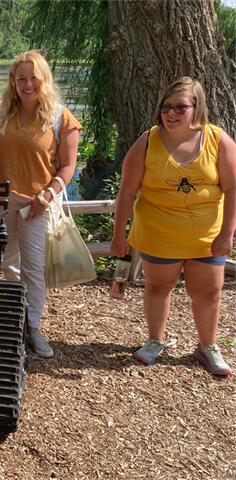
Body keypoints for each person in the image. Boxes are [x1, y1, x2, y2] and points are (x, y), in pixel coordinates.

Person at [111, 77, 235, 375]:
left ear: (197, 108)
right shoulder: (148, 141)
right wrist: (119, 235)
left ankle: (208, 347)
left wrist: (226, 233)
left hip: (207, 236)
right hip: (158, 233)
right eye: (167, 106)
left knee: (208, 292)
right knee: (158, 286)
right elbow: (127, 190)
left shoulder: (219, 140)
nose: (172, 113)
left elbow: (232, 189)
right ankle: (155, 341)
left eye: (181, 107)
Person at [0, 51, 81, 358]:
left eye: (33, 77)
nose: (27, 84)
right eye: (20, 78)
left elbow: (68, 168)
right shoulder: (1, 109)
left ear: (44, 79)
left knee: (34, 268)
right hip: (1, 198)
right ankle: (12, 319)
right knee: (6, 264)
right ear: (13, 81)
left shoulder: (62, 118)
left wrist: (46, 197)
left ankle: (33, 328)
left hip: (37, 202)